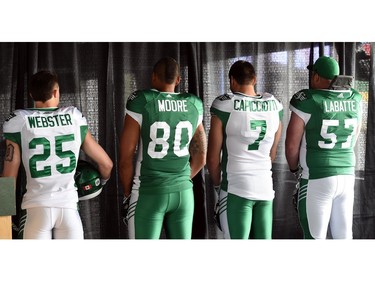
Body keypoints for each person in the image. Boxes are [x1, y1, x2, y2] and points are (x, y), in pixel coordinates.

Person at [2, 70, 113, 239]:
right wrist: (101, 182)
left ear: (31, 94)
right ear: (55, 92)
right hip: (68, 209)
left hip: (37, 208)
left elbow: (9, 175)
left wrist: (4, 216)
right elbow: (106, 164)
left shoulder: (20, 121)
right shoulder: (74, 117)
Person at [119, 57, 206, 239]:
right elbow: (201, 155)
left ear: (153, 77)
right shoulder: (193, 104)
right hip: (183, 194)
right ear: (178, 80)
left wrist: (128, 195)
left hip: (148, 193)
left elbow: (126, 158)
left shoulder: (142, 100)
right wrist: (178, 180)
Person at [285, 56, 362, 239]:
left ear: (318, 77)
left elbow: (291, 144)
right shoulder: (355, 97)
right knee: (343, 237)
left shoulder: (308, 99)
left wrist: (294, 168)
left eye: (313, 74)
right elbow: (355, 135)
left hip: (317, 177)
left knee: (314, 238)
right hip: (346, 175)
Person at [207, 60, 283, 239]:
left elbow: (212, 159)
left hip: (236, 188)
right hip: (265, 187)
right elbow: (272, 153)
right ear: (254, 79)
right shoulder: (274, 105)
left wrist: (219, 186)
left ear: (232, 80)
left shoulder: (224, 105)